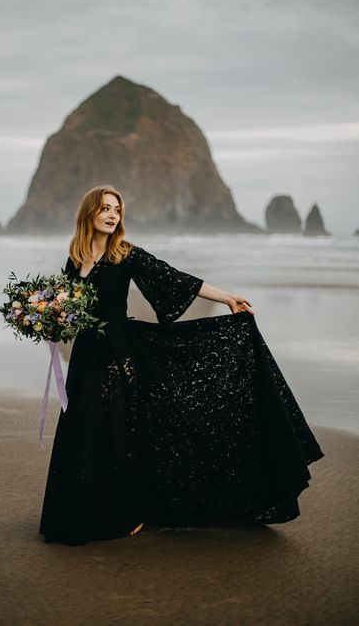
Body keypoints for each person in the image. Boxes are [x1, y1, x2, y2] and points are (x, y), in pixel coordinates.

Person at [39, 185, 324, 546]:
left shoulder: (126, 255)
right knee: (85, 427)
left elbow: (176, 278)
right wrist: (43, 317)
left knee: (118, 430)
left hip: (119, 351)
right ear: (89, 214)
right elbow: (68, 312)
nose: (113, 215)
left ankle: (130, 512)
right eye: (106, 209)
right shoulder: (74, 260)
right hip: (86, 355)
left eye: (117, 210)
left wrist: (227, 298)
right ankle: (79, 509)